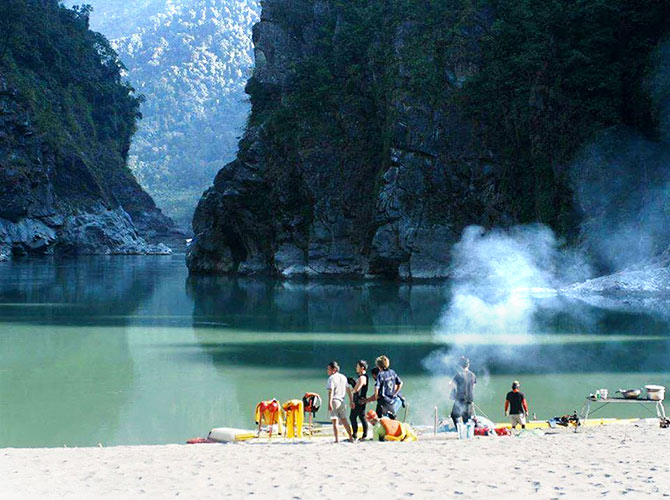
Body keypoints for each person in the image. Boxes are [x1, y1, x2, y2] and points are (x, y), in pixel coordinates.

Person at [326, 361, 354, 443]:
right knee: (344, 420)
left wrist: (329, 403)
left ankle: (336, 439)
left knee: (335, 421)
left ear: (333, 370)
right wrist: (351, 401)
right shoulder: (343, 377)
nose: (327, 371)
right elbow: (348, 390)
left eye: (329, 369)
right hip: (342, 401)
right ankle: (351, 438)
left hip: (335, 400)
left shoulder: (331, 378)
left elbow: (331, 391)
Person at [448, 356, 476, 427]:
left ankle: (459, 429)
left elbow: (450, 385)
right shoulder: (473, 375)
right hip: (470, 399)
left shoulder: (459, 375)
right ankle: (467, 432)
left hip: (460, 399)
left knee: (454, 415)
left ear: (460, 365)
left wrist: (450, 384)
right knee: (466, 418)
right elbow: (473, 387)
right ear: (468, 365)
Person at [349, 360, 369, 440]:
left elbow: (357, 389)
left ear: (362, 368)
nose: (356, 368)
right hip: (360, 400)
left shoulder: (362, 377)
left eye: (357, 366)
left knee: (353, 417)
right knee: (361, 417)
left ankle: (355, 434)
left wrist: (351, 389)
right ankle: (364, 435)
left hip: (359, 400)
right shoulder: (361, 377)